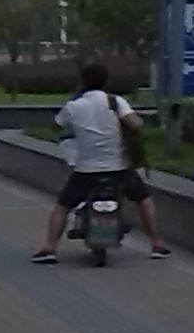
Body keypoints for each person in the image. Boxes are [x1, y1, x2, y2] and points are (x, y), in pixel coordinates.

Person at [38, 61, 163, 263]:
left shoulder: (74, 106)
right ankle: (156, 244)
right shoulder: (115, 102)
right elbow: (136, 124)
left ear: (82, 81)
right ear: (106, 81)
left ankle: (49, 248)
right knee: (143, 199)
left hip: (85, 171)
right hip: (118, 169)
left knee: (62, 206)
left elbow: (55, 126)